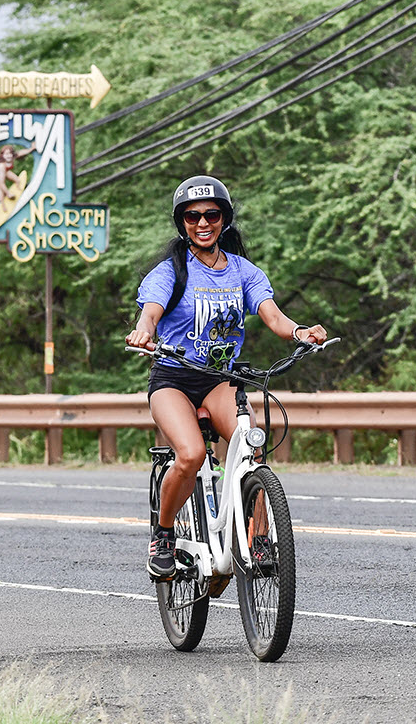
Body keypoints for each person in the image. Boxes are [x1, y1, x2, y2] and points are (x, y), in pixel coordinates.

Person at [125, 175, 328, 579]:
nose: (203, 223)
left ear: (225, 220)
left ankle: (258, 540)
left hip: (220, 379)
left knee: (250, 449)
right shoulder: (170, 272)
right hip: (174, 379)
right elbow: (151, 310)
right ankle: (163, 535)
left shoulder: (243, 272)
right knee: (191, 455)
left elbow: (273, 316)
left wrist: (300, 333)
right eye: (192, 216)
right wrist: (145, 329)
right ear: (182, 222)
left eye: (212, 215)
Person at [0, 143, 35, 230]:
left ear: (12, 154)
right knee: (1, 190)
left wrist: (31, 149)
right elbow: (1, 182)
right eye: (6, 154)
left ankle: (18, 189)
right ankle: (2, 205)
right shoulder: (1, 165)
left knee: (17, 179)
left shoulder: (12, 157)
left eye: (10, 154)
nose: (8, 156)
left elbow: (22, 152)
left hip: (6, 172)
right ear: (2, 155)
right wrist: (8, 193)